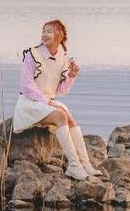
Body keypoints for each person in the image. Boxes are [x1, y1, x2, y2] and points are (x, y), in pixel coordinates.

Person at [11, 18, 101, 181]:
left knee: (68, 116)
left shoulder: (62, 58)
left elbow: (59, 90)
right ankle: (74, 166)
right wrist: (47, 102)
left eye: (49, 31)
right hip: (28, 104)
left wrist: (72, 76)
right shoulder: (32, 54)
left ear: (59, 36)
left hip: (45, 102)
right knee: (60, 115)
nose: (44, 34)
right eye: (43, 31)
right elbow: (26, 87)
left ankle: (85, 164)